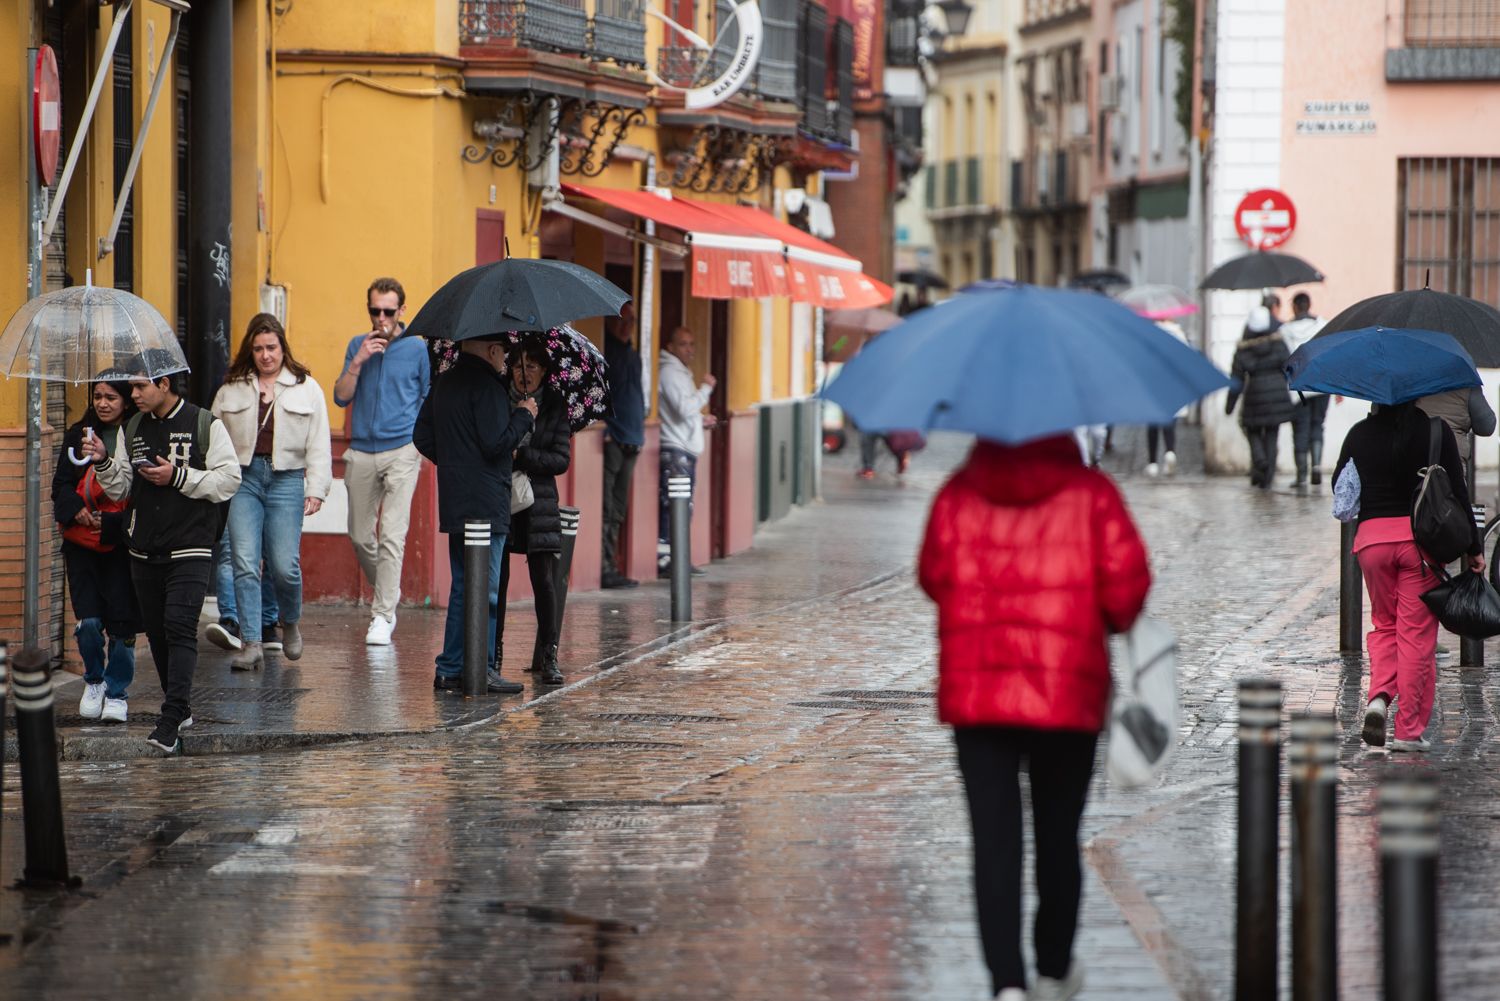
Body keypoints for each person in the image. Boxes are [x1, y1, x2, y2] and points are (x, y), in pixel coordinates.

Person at [919, 434, 1151, 1001]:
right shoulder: (1093, 493)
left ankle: (1006, 984)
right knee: (1056, 835)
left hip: (979, 695)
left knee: (994, 841)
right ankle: (1052, 971)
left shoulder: (958, 492)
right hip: (1066, 690)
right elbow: (1126, 594)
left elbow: (932, 576)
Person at [88, 353, 242, 754]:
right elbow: (122, 489)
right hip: (144, 546)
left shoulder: (205, 423)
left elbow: (229, 480)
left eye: (139, 386)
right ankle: (182, 705)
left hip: (190, 543)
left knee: (178, 626)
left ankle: (171, 717)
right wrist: (104, 462)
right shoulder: (133, 426)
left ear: (165, 385)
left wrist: (178, 476)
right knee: (156, 632)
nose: (132, 394)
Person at [1334, 402, 1483, 752]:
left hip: (1371, 542)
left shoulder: (1358, 433)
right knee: (1415, 638)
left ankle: (1378, 699)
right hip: (1418, 544)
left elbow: (1340, 487)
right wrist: (1474, 547)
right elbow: (1457, 493)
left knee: (1384, 626)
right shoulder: (1435, 431)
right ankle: (1408, 731)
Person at [413, 334, 536, 694]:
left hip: (456, 498)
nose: (505, 361)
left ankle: (451, 668)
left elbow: (422, 436)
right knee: (486, 589)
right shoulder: (489, 387)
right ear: (492, 349)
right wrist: (524, 417)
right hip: (486, 501)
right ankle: (479, 668)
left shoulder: (445, 382)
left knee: (464, 584)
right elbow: (496, 442)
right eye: (504, 354)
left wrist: (455, 463)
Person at [211, 314, 332, 670]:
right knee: (245, 564)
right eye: (259, 348)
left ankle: (289, 622)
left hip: (287, 480)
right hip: (243, 479)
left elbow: (319, 443)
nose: (266, 355)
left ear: (283, 347)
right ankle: (251, 644)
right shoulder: (232, 387)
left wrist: (318, 489)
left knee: (284, 566)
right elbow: (213, 435)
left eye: (272, 348)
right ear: (251, 350)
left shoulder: (306, 387)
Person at [333, 277, 431, 646]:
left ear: (402, 311)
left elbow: (428, 397)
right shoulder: (357, 345)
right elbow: (341, 397)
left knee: (391, 533)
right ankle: (389, 592)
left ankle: (382, 615)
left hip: (402, 449)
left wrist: (418, 443)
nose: (382, 318)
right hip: (361, 450)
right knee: (360, 535)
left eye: (389, 311)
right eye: (375, 311)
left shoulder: (417, 349)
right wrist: (358, 361)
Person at [52, 378, 141, 723]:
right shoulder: (79, 434)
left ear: (125, 401)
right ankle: (94, 679)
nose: (103, 403)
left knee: (121, 624)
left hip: (119, 546)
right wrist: (75, 507)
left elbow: (141, 494)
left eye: (111, 397)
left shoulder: (136, 436)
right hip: (81, 544)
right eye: (98, 396)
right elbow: (59, 485)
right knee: (88, 621)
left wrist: (113, 524)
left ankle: (117, 691)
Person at [496, 336, 572, 686]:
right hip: (503, 496)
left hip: (539, 502)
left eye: (532, 367)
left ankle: (549, 655)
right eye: (517, 367)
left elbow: (560, 459)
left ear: (544, 371)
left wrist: (523, 456)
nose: (523, 374)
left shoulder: (556, 406)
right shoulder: (497, 399)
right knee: (498, 579)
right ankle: (492, 653)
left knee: (544, 580)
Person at [656, 326, 715, 578]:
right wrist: (705, 389)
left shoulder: (680, 372)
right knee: (674, 506)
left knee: (682, 506)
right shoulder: (669, 372)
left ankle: (677, 557)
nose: (689, 350)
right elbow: (681, 408)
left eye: (691, 344)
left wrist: (699, 420)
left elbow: (683, 412)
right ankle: (667, 560)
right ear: (670, 347)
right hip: (674, 448)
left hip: (683, 446)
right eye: (683, 344)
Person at [1226, 306, 1295, 489]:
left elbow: (1237, 378)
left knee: (1252, 429)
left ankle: (1259, 458)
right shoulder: (1278, 344)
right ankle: (1268, 477)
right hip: (1277, 393)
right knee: (1272, 434)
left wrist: (1230, 405)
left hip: (1254, 393)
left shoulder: (1243, 349)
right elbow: (1289, 366)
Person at [601, 303, 643, 589]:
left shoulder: (634, 355)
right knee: (607, 507)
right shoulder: (606, 353)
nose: (626, 325)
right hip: (614, 437)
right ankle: (604, 567)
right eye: (621, 319)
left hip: (633, 439)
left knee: (618, 508)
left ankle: (611, 564)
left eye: (632, 320)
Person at [1279, 293, 1330, 486]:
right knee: (1318, 424)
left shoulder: (1285, 330)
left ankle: (1301, 475)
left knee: (1300, 428)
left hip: (1297, 385)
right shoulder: (1322, 325)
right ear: (1309, 305)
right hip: (1321, 383)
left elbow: (1284, 360)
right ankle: (1316, 466)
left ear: (1294, 307)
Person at [1145, 319, 1187, 477]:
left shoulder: (1150, 333)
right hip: (1172, 383)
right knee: (1170, 420)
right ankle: (1169, 451)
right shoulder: (1178, 334)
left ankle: (1152, 463)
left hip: (1153, 382)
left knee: (1153, 423)